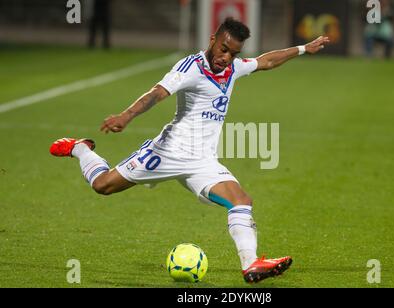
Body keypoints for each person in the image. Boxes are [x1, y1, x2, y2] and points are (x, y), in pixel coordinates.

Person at [50, 18, 329, 283]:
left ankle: (251, 263)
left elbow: (266, 61)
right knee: (103, 186)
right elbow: (156, 93)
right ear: (212, 39)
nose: (226, 58)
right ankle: (80, 148)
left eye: (233, 53)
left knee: (241, 200)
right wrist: (126, 115)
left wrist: (304, 48)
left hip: (202, 161)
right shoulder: (191, 67)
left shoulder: (233, 69)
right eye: (223, 49)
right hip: (167, 153)